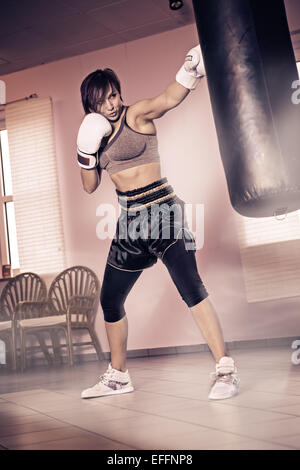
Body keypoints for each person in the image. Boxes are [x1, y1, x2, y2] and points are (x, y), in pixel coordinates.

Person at [77, 45, 240, 401]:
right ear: (91, 106)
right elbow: (89, 186)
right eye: (103, 101)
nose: (112, 104)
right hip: (129, 224)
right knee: (110, 300)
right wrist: (85, 152)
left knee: (191, 290)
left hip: (163, 213)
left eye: (114, 95)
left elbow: (167, 99)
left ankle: (225, 369)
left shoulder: (135, 115)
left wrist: (191, 70)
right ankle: (118, 376)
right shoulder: (94, 136)